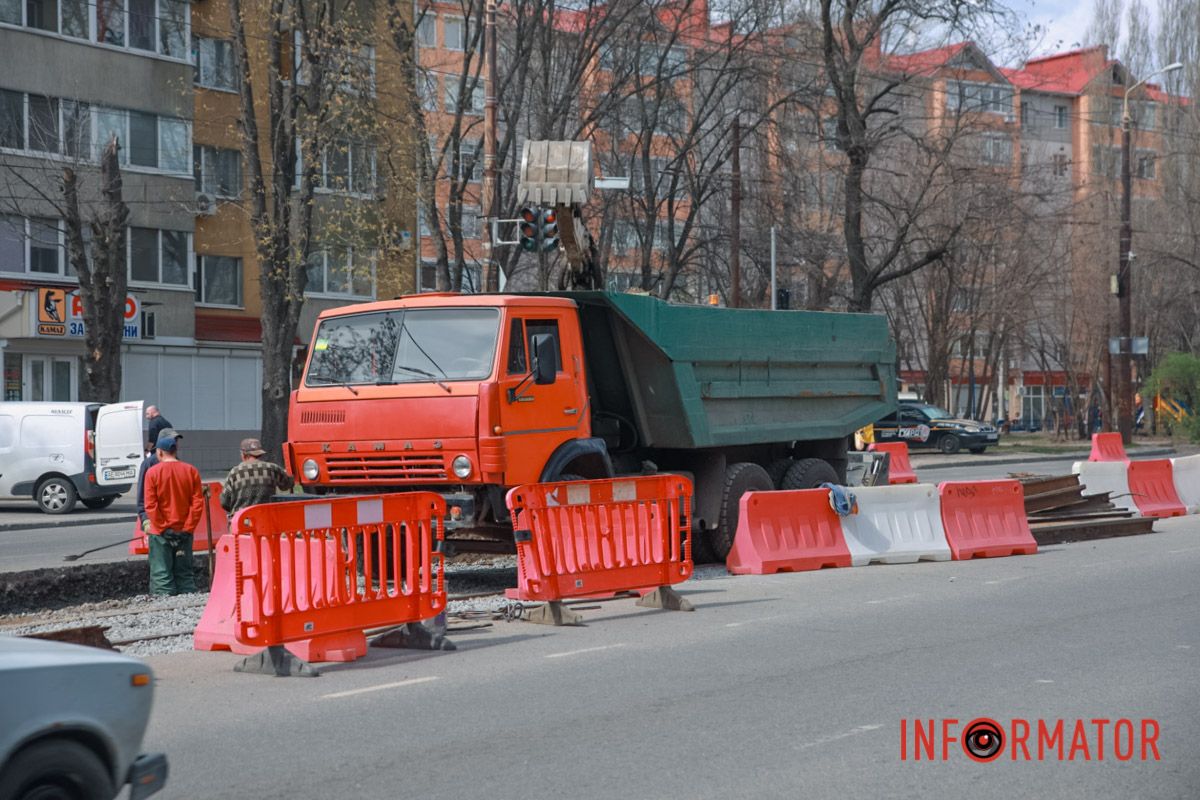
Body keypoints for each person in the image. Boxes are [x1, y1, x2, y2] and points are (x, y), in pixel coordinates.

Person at [143, 431, 204, 596]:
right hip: (184, 532)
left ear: (160, 452)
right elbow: (197, 503)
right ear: (175, 450)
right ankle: (187, 600)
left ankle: (164, 599)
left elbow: (151, 505)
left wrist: (163, 528)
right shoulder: (191, 471)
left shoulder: (152, 473)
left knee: (161, 575)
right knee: (184, 573)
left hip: (160, 534)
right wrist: (188, 528)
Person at [220, 438, 295, 514]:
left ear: (243, 454)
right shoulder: (272, 468)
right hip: (266, 517)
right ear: (260, 454)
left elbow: (224, 502)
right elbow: (287, 485)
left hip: (242, 519)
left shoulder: (234, 472)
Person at [135, 428, 183, 531]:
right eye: (173, 440)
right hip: (155, 523)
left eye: (176, 441)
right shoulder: (149, 464)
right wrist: (145, 519)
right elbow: (142, 495)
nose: (175, 444)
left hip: (176, 523)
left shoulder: (179, 463)